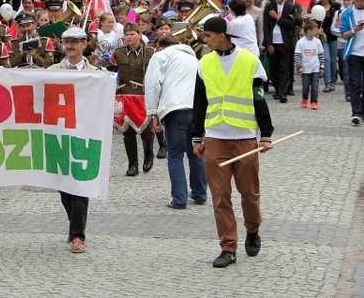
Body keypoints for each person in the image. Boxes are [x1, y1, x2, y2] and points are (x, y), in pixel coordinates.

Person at [191, 17, 274, 268]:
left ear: (221, 35)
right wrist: (197, 137)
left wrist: (266, 134)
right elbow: (199, 102)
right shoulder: (204, 63)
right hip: (216, 139)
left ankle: (253, 228)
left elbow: (259, 100)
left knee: (249, 194)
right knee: (220, 196)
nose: (204, 41)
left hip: (245, 139)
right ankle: (228, 247)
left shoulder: (250, 61)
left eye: (207, 36)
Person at [47, 26, 96, 253]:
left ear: (84, 44)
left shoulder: (95, 74)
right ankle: (74, 224)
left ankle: (78, 236)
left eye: (75, 41)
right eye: (67, 41)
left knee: (80, 185)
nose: (70, 45)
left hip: (84, 136)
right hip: (58, 134)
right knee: (63, 186)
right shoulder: (52, 71)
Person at [144, 35, 206, 209]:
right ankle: (200, 193)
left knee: (175, 155)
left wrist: (152, 113)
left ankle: (179, 199)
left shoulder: (160, 56)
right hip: (195, 109)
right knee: (196, 151)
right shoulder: (195, 59)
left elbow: (152, 85)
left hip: (174, 110)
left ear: (161, 47)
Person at [113, 22, 155, 176]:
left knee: (146, 129)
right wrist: (112, 85)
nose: (129, 37)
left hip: (143, 95)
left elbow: (155, 74)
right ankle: (133, 164)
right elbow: (109, 71)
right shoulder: (118, 53)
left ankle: (148, 156)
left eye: (132, 34)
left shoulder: (149, 52)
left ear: (139, 34)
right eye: (127, 34)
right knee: (127, 130)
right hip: (125, 94)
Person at [263, 0, 301, 103]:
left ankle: (283, 93)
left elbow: (291, 24)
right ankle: (277, 90)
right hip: (273, 42)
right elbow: (266, 26)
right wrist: (269, 43)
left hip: (285, 42)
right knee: (274, 69)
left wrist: (277, 17)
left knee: (284, 68)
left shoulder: (291, 7)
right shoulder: (269, 6)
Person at [337, 0, 364, 124]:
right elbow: (343, 35)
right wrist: (355, 29)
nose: (360, 3)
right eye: (358, 1)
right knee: (355, 84)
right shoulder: (347, 13)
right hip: (354, 53)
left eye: (362, 0)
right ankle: (356, 113)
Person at [294, 22, 325, 110]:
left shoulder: (317, 42)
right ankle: (304, 99)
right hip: (305, 69)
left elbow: (321, 54)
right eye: (315, 30)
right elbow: (297, 55)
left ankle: (314, 101)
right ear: (309, 31)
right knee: (306, 86)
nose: (317, 32)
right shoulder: (301, 42)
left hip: (315, 67)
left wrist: (322, 67)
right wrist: (299, 66)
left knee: (315, 86)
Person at [315, 0, 340, 92]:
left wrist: (336, 28)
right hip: (323, 37)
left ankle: (333, 80)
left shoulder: (336, 6)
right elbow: (314, 21)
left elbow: (339, 20)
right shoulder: (317, 6)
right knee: (326, 59)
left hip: (333, 36)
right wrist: (317, 29)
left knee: (334, 60)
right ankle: (328, 83)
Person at [331, 0, 353, 101]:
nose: (346, 2)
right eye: (344, 0)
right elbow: (334, 28)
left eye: (348, 0)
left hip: (356, 44)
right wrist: (344, 34)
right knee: (346, 70)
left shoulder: (356, 12)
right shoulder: (339, 13)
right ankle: (348, 93)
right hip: (343, 44)